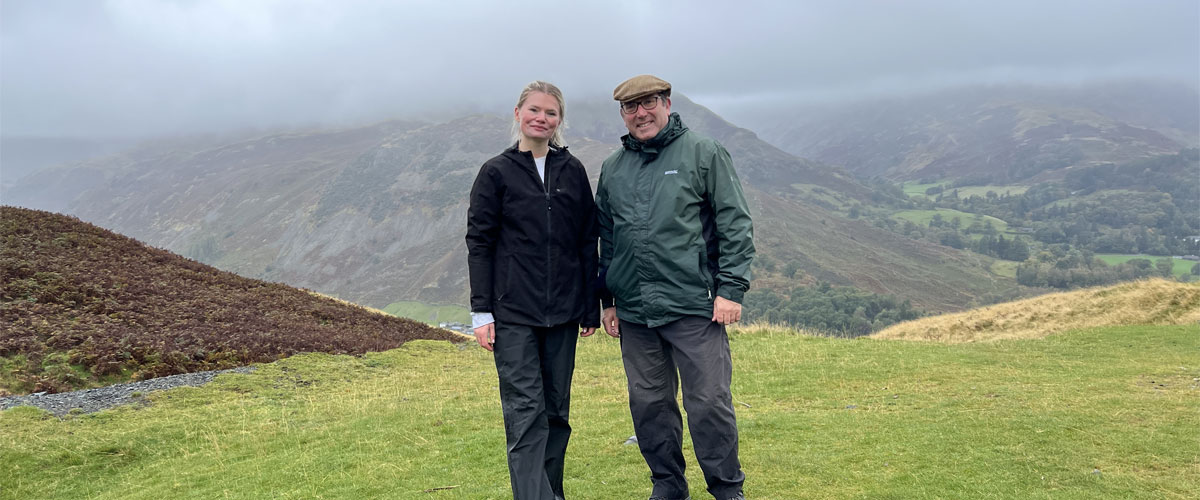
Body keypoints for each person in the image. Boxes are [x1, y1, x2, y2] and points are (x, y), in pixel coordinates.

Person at [595, 75, 754, 500]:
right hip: (634, 311)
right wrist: (608, 299)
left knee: (708, 403)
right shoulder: (613, 168)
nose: (640, 113)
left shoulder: (704, 152)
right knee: (649, 405)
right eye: (631, 107)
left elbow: (734, 222)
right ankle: (667, 485)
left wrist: (731, 289)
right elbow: (608, 237)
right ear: (623, 114)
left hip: (694, 305)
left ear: (666, 103)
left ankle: (726, 488)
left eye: (648, 103)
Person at [466, 80, 600, 500]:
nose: (542, 118)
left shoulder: (572, 169)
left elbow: (586, 239)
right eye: (535, 110)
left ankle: (552, 492)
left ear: (559, 121)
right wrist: (481, 312)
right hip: (514, 315)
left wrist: (591, 307)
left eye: (551, 113)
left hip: (563, 312)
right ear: (518, 113)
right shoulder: (496, 171)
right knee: (526, 413)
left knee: (557, 412)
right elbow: (480, 243)